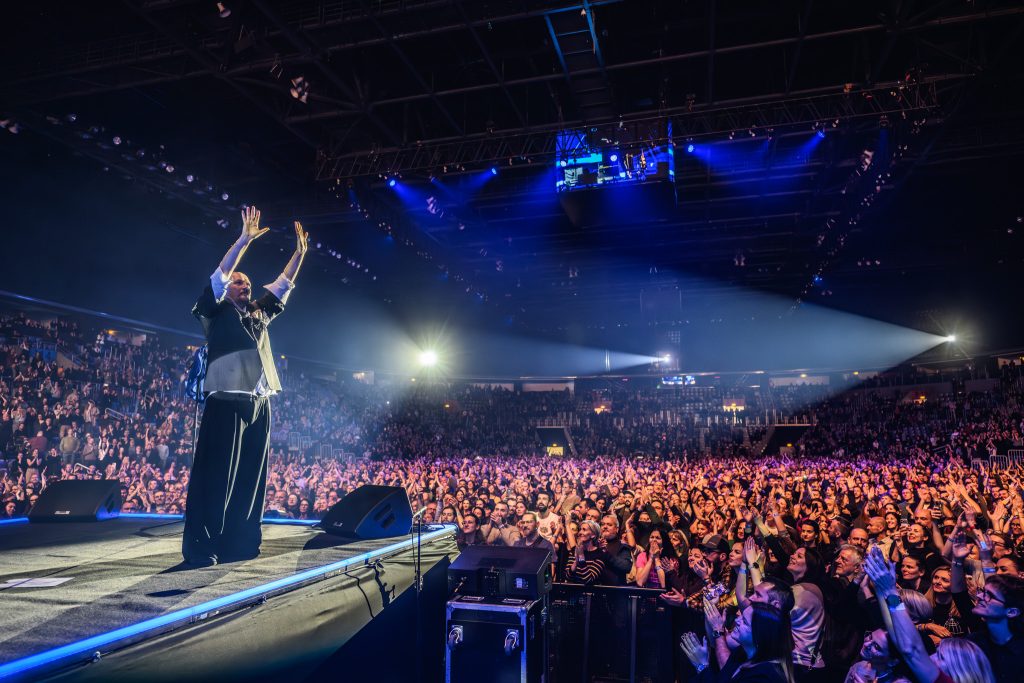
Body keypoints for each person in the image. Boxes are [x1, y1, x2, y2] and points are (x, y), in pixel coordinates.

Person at [181, 206, 307, 566]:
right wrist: (244, 240)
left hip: (259, 401)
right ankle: (203, 545)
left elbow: (283, 284)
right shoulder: (214, 312)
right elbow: (220, 275)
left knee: (251, 476)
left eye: (248, 283)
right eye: (239, 282)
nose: (245, 285)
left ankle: (240, 541)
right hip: (226, 400)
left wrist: (299, 253)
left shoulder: (258, 312)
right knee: (217, 476)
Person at [680, 602, 796, 683]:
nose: (737, 620)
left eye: (744, 621)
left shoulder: (764, 676)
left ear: (759, 635)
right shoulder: (741, 653)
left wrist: (702, 665)